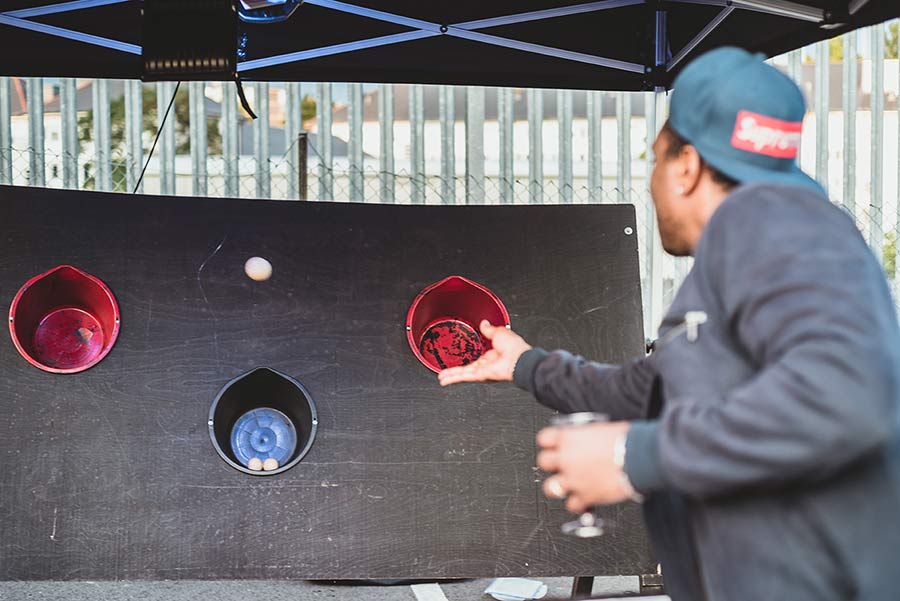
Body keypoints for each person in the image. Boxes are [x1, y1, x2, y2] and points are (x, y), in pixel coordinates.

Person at [438, 46, 900, 600]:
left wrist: (631, 456)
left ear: (686, 165)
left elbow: (847, 397)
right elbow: (654, 387)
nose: (653, 181)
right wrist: (526, 364)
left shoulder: (781, 227)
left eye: (654, 159)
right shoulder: (761, 243)